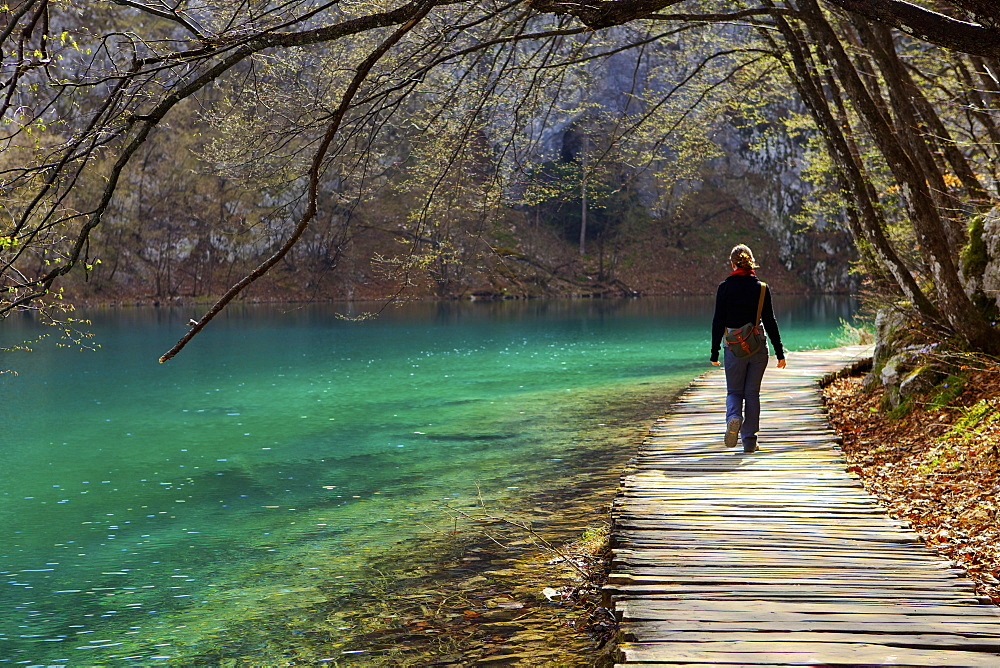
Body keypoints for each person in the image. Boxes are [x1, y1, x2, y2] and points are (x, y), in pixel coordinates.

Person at [710, 244, 785, 453]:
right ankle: (750, 441)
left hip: (734, 348)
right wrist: (780, 353)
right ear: (751, 262)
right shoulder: (761, 288)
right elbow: (770, 321)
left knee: (734, 391)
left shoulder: (725, 287)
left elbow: (718, 322)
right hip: (757, 346)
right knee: (752, 394)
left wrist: (714, 352)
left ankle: (734, 417)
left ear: (732, 264)